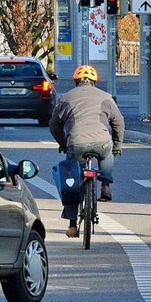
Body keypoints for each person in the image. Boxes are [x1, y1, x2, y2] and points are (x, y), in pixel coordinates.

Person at [49, 64, 125, 238]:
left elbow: (54, 125)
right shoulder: (106, 97)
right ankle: (105, 185)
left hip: (76, 143)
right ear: (94, 82)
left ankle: (72, 225)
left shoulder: (65, 98)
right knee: (107, 151)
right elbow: (118, 123)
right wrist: (117, 145)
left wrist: (63, 143)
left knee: (73, 180)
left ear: (76, 82)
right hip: (102, 141)